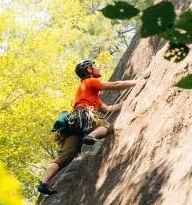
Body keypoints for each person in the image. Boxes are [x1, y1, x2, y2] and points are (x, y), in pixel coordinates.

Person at [37, 59, 140, 196]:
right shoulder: (89, 82)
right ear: (89, 70)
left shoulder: (89, 93)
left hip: (74, 124)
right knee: (107, 128)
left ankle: (44, 183)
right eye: (95, 67)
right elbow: (115, 85)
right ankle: (91, 136)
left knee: (66, 156)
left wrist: (129, 101)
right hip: (85, 115)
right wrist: (137, 82)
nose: (98, 69)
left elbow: (109, 109)